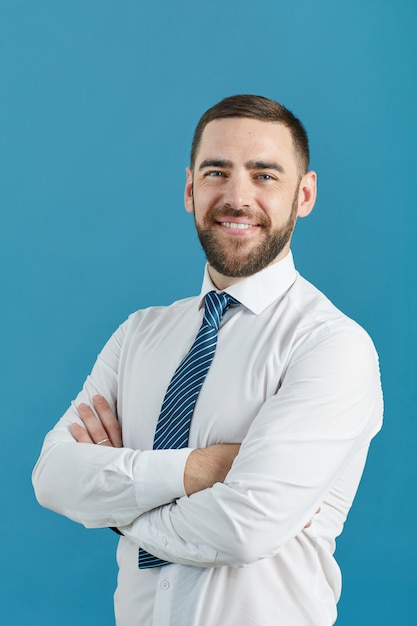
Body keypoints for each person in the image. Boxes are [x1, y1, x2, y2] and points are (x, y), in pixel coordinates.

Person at [32, 94, 383, 626]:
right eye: (218, 172)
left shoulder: (331, 345)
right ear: (190, 189)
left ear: (304, 194)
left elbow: (244, 530)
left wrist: (116, 509)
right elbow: (53, 476)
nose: (237, 197)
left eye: (265, 176)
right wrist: (199, 469)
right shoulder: (139, 334)